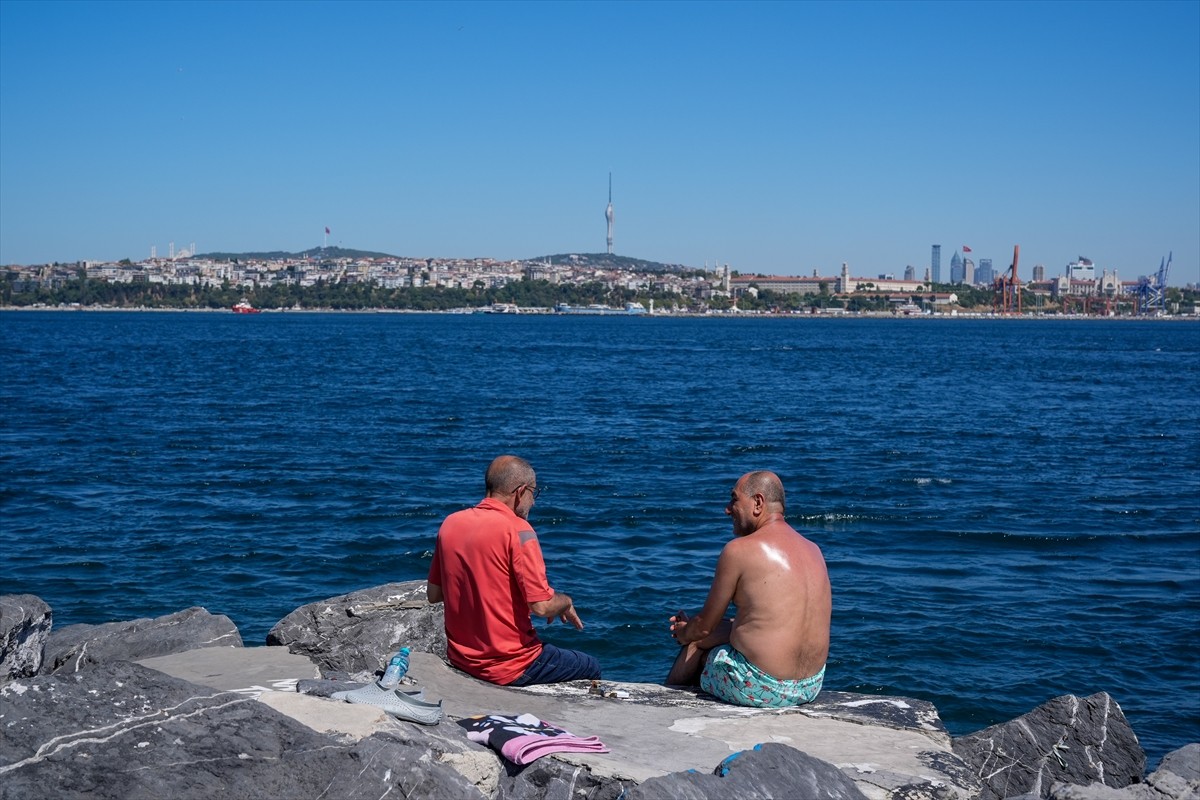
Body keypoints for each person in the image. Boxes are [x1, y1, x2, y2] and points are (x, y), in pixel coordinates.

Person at [427, 455, 601, 686]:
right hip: (510, 666)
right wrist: (566, 602)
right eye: (534, 493)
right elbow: (541, 606)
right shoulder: (519, 530)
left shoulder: (451, 523)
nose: (534, 502)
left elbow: (434, 595)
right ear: (520, 491)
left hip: (462, 660)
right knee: (590, 666)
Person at [666, 471, 831, 708]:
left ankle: (665, 706)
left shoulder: (739, 550)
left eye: (734, 500)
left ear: (758, 503)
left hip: (762, 687)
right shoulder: (814, 549)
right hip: (810, 686)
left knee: (695, 643)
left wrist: (683, 633)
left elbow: (703, 628)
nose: (727, 509)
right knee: (734, 625)